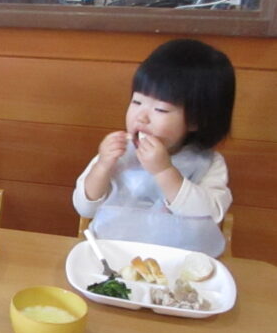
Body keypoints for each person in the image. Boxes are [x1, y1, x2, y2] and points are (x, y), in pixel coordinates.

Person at [72, 38, 235, 257]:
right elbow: (85, 208)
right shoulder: (119, 152)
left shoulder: (208, 164)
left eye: (161, 109)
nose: (142, 116)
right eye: (137, 102)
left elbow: (210, 214)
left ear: (196, 120)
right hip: (111, 255)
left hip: (180, 263)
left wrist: (164, 171)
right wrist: (102, 166)